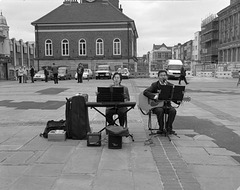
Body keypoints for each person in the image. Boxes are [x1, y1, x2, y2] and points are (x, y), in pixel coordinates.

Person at [143, 69, 179, 135]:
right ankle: (161, 128)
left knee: (173, 111)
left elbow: (173, 96)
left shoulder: (170, 85)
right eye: (161, 75)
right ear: (158, 77)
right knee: (160, 111)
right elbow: (145, 92)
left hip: (167, 105)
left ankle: (168, 128)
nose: (163, 77)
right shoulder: (155, 85)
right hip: (157, 106)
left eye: (164, 75)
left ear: (167, 76)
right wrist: (155, 97)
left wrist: (178, 100)